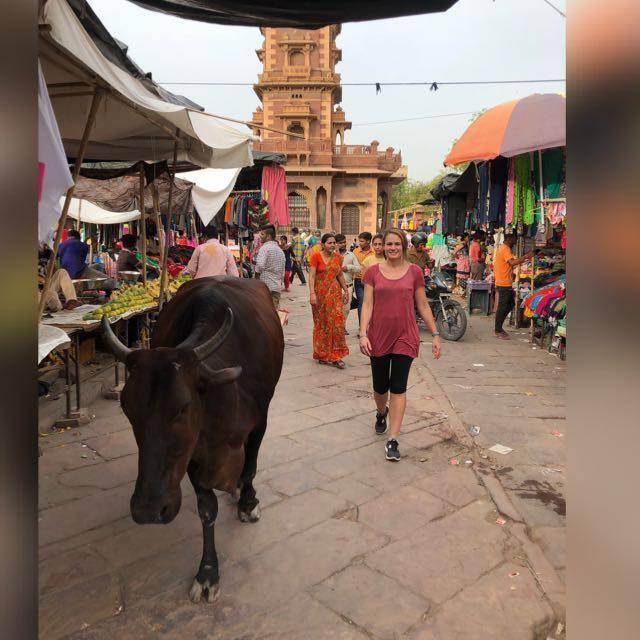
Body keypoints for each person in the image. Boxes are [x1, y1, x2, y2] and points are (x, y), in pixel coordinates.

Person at [359, 229, 442, 462]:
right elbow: (367, 305)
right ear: (382, 247)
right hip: (378, 335)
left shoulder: (415, 272)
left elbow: (423, 305)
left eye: (396, 244)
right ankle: (381, 411)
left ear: (403, 246)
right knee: (380, 386)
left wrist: (435, 334)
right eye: (388, 244)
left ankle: (393, 439)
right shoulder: (373, 272)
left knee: (399, 387)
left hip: (406, 335)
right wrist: (363, 333)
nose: (393, 248)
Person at [309, 233, 350, 369]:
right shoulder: (315, 256)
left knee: (337, 323)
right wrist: (312, 294)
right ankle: (322, 353)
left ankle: (336, 356)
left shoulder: (338, 258)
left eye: (334, 243)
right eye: (329, 243)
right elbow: (312, 276)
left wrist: (345, 290)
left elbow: (339, 275)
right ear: (323, 243)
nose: (332, 245)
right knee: (322, 324)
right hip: (319, 296)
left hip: (335, 295)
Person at [493, 234, 534, 340]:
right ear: (509, 239)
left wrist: (523, 259)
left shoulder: (504, 248)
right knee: (503, 306)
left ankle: (499, 328)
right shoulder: (505, 249)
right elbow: (512, 263)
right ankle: (498, 330)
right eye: (514, 238)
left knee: (510, 303)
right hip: (504, 282)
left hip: (505, 281)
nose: (516, 240)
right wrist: (525, 257)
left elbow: (510, 263)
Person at [38, 245, 82, 312]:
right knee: (52, 295)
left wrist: (52, 264)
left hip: (45, 287)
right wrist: (42, 280)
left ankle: (71, 300)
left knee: (61, 272)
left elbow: (52, 270)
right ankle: (60, 308)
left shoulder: (45, 251)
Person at [255, 225, 286, 309]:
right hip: (276, 287)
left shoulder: (264, 248)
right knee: (273, 314)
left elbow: (260, 266)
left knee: (263, 314)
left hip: (264, 287)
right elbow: (283, 271)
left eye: (262, 234)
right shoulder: (280, 251)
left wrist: (256, 278)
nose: (260, 236)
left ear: (268, 236)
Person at [335, 233, 360, 333]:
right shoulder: (332, 255)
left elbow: (358, 268)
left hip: (348, 286)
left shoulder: (351, 255)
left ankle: (342, 326)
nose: (343, 244)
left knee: (346, 308)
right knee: (335, 308)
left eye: (344, 242)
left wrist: (348, 267)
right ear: (336, 244)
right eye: (340, 243)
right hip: (334, 286)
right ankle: (337, 327)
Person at [353, 231, 373, 323]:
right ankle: (362, 327)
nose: (359, 243)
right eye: (359, 241)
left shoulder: (374, 252)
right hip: (358, 280)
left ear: (368, 241)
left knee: (372, 303)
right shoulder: (355, 252)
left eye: (362, 241)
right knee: (361, 303)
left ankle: (372, 326)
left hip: (372, 281)